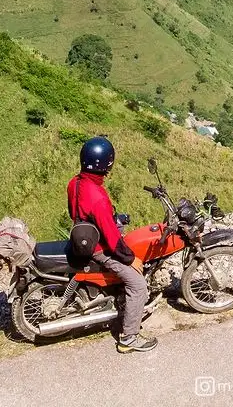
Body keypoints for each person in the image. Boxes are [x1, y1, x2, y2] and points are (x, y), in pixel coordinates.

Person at [67, 137, 158, 353]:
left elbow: (79, 212)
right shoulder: (98, 197)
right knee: (138, 286)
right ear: (107, 164)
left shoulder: (75, 183)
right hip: (99, 249)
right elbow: (112, 239)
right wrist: (130, 258)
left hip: (85, 235)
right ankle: (129, 338)